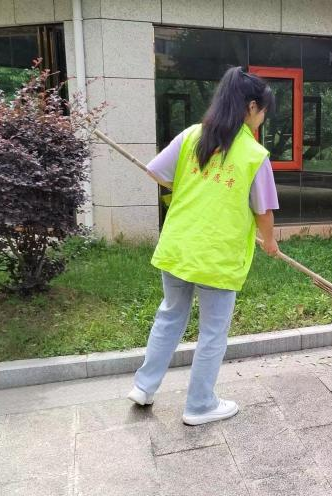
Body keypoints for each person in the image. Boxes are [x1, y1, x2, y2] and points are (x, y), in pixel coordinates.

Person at [126, 66, 280, 426]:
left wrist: (188, 185)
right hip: (217, 256)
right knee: (212, 332)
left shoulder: (192, 135)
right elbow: (263, 211)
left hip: (178, 246)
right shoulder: (254, 154)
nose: (262, 118)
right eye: (263, 111)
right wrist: (271, 243)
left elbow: (156, 171)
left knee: (169, 316)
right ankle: (199, 405)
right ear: (251, 107)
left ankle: (144, 387)